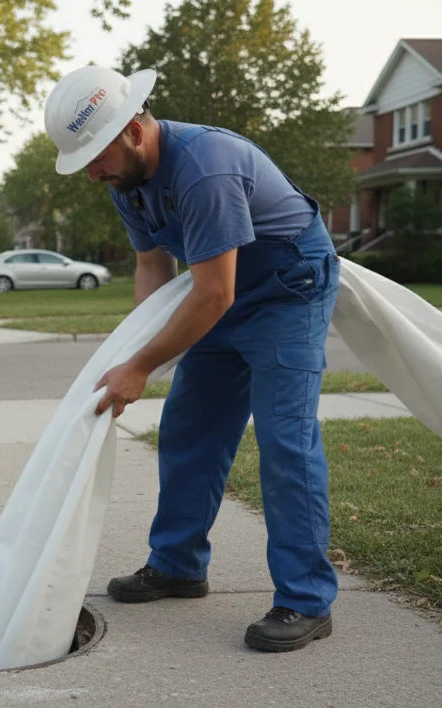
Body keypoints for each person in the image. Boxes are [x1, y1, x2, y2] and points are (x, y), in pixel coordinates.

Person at [43, 64, 341, 652]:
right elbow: (155, 268)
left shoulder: (205, 165)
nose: (94, 173)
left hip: (287, 289)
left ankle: (305, 599)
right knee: (187, 431)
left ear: (133, 129)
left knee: (284, 440)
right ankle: (178, 566)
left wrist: (140, 367)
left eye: (96, 155)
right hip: (218, 294)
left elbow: (214, 293)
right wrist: (139, 359)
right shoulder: (126, 183)